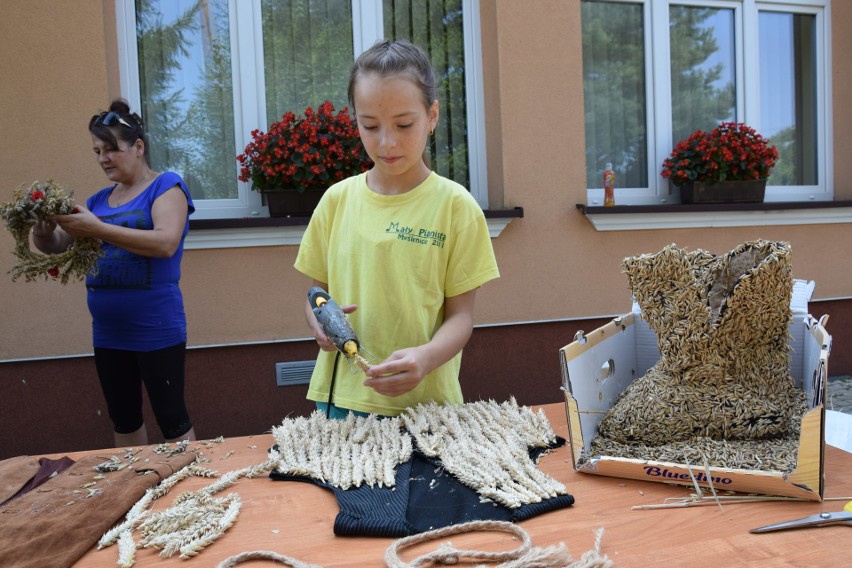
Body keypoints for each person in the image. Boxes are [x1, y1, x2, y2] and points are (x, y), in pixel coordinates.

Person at [295, 39, 500, 418]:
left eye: (404, 124)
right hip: (342, 402)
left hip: (427, 408)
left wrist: (426, 358)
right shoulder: (336, 201)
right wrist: (318, 324)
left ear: (432, 116)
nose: (386, 142)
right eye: (369, 126)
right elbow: (316, 296)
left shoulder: (456, 207)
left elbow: (461, 317)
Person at [32, 99, 196, 447]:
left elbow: (166, 242)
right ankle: (134, 491)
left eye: (111, 149)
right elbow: (58, 245)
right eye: (97, 151)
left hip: (155, 328)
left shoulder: (166, 187)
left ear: (138, 147)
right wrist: (44, 230)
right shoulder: (99, 201)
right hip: (108, 332)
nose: (103, 158)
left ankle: (192, 490)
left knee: (171, 417)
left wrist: (98, 228)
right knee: (123, 418)